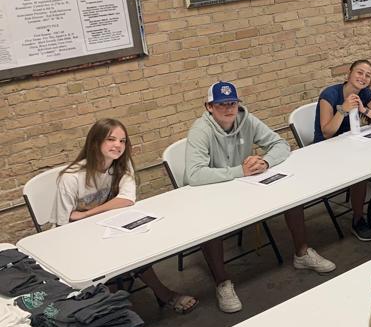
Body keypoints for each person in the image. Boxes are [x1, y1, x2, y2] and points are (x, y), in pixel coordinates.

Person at [185, 81, 336, 313]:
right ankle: (222, 282)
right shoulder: (200, 130)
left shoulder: (247, 119)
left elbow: (280, 144)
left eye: (232, 103)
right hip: (213, 191)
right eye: (221, 104)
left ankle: (302, 253)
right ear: (209, 107)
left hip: (245, 186)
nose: (228, 109)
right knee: (209, 224)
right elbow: (194, 175)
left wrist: (265, 162)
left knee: (291, 194)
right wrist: (239, 171)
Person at [55, 119, 197, 314]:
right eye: (111, 139)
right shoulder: (71, 177)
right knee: (111, 260)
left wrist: (86, 213)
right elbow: (63, 224)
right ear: (95, 142)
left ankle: (158, 295)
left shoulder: (122, 164)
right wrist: (87, 219)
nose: (118, 145)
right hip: (75, 238)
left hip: (106, 228)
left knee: (135, 248)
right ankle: (120, 311)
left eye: (122, 141)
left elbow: (127, 199)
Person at [314, 59, 371, 242]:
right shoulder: (330, 95)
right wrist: (342, 110)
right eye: (359, 72)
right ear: (349, 74)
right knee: (360, 171)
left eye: (368, 75)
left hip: (353, 143)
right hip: (327, 149)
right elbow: (327, 132)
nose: (363, 77)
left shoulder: (365, 93)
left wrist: (365, 110)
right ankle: (358, 219)